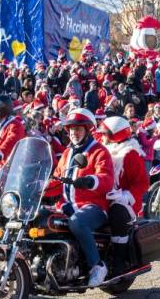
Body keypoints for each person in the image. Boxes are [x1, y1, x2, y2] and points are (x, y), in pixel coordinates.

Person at [50, 108, 115, 287]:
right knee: (38, 218)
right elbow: (56, 179)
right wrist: (37, 186)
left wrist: (90, 180)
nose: (74, 132)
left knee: (77, 222)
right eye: (71, 129)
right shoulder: (66, 153)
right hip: (66, 205)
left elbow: (107, 179)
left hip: (94, 206)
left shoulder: (99, 151)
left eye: (78, 128)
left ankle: (97, 266)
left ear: (87, 129)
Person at [99, 116, 149, 275]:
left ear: (116, 134)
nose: (102, 136)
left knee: (117, 214)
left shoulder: (130, 153)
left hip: (125, 200)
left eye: (106, 133)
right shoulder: (102, 149)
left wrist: (125, 196)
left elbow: (142, 183)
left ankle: (119, 259)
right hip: (104, 195)